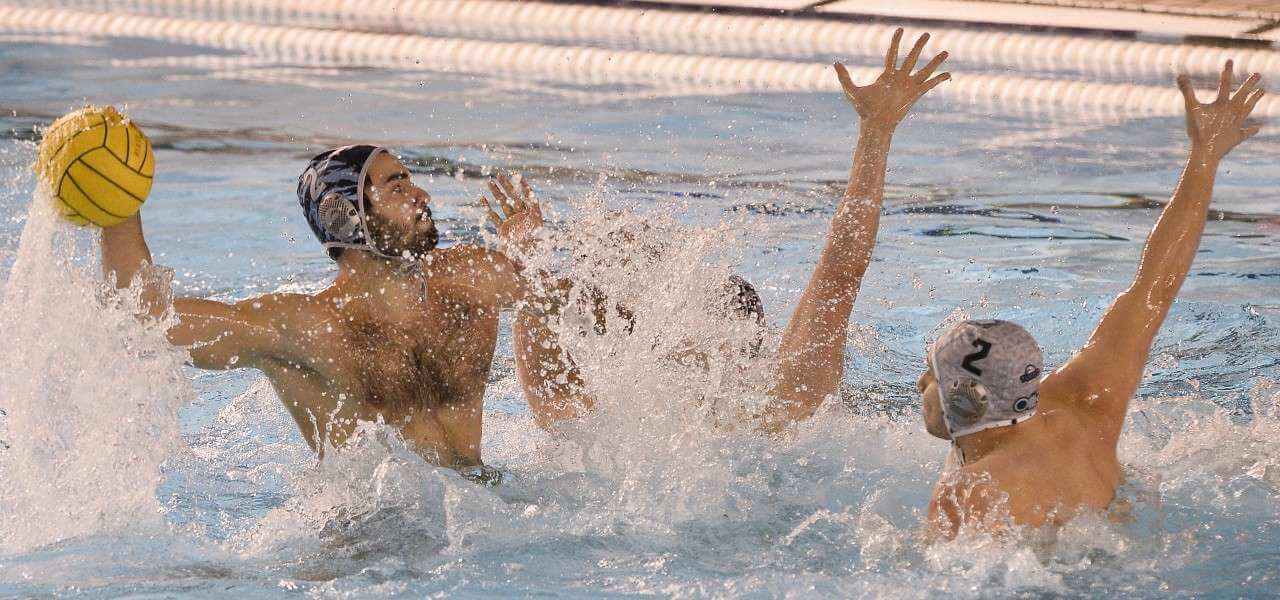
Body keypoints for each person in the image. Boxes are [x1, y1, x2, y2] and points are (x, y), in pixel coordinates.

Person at [502, 29, 951, 433]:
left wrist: (526, 260)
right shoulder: (788, 400)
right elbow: (841, 269)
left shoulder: (612, 429)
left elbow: (538, 321)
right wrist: (876, 131)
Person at [920, 62, 1265, 539]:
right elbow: (1153, 287)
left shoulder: (969, 491)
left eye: (932, 376)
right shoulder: (1083, 405)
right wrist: (1204, 157)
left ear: (967, 400)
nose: (920, 385)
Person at [101, 144, 546, 479]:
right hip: (368, 545)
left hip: (483, 509)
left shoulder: (470, 281)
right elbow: (145, 318)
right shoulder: (310, 330)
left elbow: (553, 301)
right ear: (344, 216)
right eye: (397, 186)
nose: (422, 194)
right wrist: (117, 207)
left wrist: (528, 253)